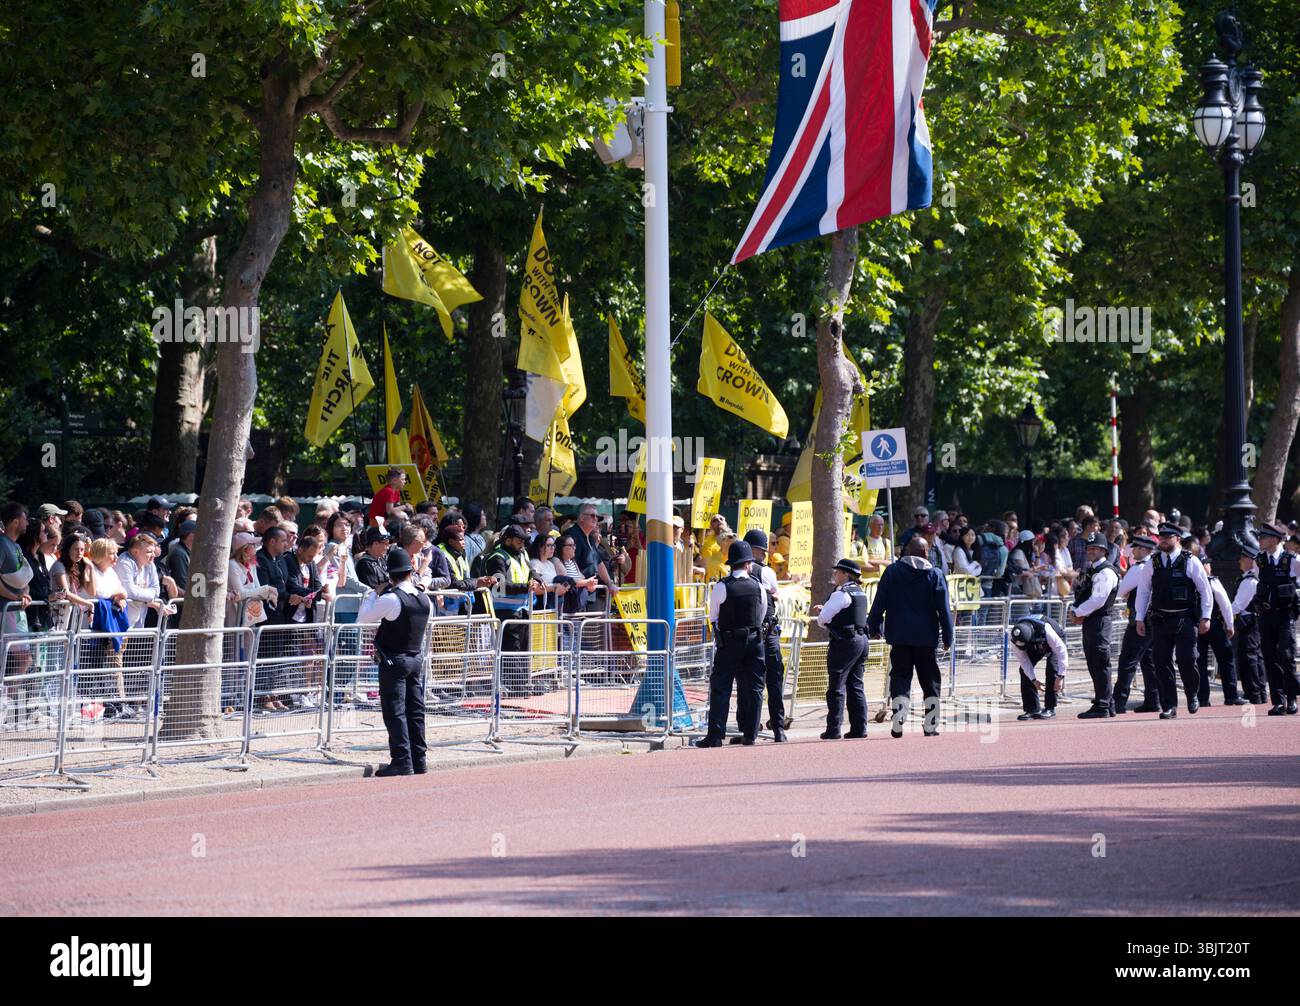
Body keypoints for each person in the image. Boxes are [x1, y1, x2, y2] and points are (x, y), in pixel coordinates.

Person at [868, 536, 953, 738]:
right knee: (930, 681)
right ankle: (931, 725)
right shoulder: (935, 574)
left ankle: (900, 713)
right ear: (925, 553)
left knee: (899, 677)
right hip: (926, 637)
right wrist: (948, 636)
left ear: (907, 552)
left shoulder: (892, 572)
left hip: (899, 636)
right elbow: (944, 609)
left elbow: (879, 602)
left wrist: (874, 627)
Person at [358, 547, 433, 776]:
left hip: (394, 660)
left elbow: (362, 619)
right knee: (415, 711)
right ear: (411, 572)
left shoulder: (391, 598)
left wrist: (372, 593)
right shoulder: (423, 598)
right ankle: (419, 760)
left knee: (395, 711)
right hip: (415, 657)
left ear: (390, 576)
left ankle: (402, 760)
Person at [1134, 522, 1212, 719]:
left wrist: (1205, 616)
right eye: (1161, 537)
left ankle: (1192, 693)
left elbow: (1204, 590)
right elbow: (1143, 591)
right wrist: (1139, 617)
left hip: (1184, 617)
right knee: (1161, 662)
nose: (1163, 540)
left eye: (1168, 537)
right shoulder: (1153, 562)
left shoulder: (1191, 561)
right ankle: (1169, 705)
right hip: (1160, 619)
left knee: (1187, 659)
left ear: (1178, 539)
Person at [694, 540, 767, 748]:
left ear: (731, 564)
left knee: (721, 687)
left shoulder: (722, 586)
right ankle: (751, 734)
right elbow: (760, 615)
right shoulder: (758, 586)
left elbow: (714, 616)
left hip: (729, 641)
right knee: (754, 688)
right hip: (754, 641)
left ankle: (716, 735)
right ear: (748, 564)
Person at [813, 557, 871, 739]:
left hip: (845, 642)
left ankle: (833, 729)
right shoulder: (859, 592)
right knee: (856, 685)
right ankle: (859, 728)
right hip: (861, 640)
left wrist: (823, 613)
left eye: (837, 571)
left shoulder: (841, 593)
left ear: (846, 574)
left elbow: (823, 619)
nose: (835, 574)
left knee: (836, 687)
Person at [740, 529, 786, 742]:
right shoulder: (766, 573)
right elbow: (774, 595)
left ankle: (748, 730)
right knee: (774, 682)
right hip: (767, 635)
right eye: (761, 550)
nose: (764, 555)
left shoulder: (734, 572)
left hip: (746, 635)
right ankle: (778, 728)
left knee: (747, 683)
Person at [1252, 523, 1300, 716]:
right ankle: (1278, 701)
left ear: (1274, 539)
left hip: (1285, 614)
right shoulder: (1260, 561)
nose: (1260, 540)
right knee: (1270, 657)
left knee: (1286, 655)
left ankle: (1292, 698)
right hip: (1266, 615)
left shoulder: (1292, 561)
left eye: (1263, 537)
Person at [1072, 531, 1120, 719]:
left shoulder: (1105, 571)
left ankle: (1102, 705)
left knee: (1099, 663)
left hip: (1099, 620)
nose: (1090, 551)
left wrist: (1077, 612)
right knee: (1095, 663)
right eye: (1089, 548)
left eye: (1095, 548)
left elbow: (1098, 600)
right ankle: (1108, 703)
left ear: (1103, 550)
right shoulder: (1094, 570)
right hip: (1093, 620)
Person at [1113, 534, 1160, 713]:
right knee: (1149, 662)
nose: (1132, 551)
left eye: (1136, 548)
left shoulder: (1138, 568)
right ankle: (1153, 699)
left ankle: (1118, 702)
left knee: (1127, 661)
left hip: (1139, 621)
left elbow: (1121, 591)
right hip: (1154, 620)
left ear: (1144, 550)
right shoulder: (1155, 565)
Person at [1195, 554, 1245, 706]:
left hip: (1196, 625)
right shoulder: (1212, 581)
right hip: (1214, 624)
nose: (1209, 566)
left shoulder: (1191, 583)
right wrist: (1229, 625)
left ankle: (1202, 698)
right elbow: (1225, 604)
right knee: (1226, 659)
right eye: (1207, 564)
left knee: (1200, 662)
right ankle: (1231, 695)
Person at [1009, 614, 1068, 720]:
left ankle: (1050, 708)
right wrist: (1034, 680)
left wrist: (1060, 677)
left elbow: (1062, 653)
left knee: (1052, 668)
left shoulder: (1046, 630)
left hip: (1052, 640)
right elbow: (1024, 662)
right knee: (1024, 671)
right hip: (1032, 643)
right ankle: (1032, 709)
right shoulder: (1014, 638)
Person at [1231, 543, 1268, 704]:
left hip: (1248, 624)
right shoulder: (1251, 578)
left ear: (1249, 560)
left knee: (1249, 658)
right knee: (1254, 657)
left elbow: (1237, 606)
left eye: (1242, 558)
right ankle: (1257, 692)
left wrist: (1225, 616)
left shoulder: (1249, 581)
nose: (1239, 561)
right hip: (1251, 623)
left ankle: (1254, 692)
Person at [255, 527, 291, 623]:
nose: (286, 544)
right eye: (283, 541)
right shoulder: (260, 559)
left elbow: (289, 582)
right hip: (266, 615)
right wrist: (289, 596)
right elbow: (266, 588)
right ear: (272, 542)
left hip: (281, 613)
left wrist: (305, 594)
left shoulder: (281, 558)